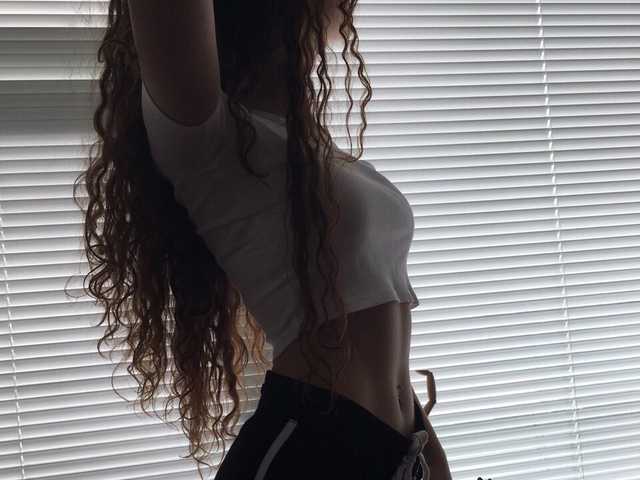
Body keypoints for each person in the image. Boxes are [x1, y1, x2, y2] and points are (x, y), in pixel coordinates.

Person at [78, 1, 453, 479]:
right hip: (310, 451)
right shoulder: (205, 137)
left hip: (392, 448)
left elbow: (379, 343)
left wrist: (430, 457)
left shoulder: (301, 145)